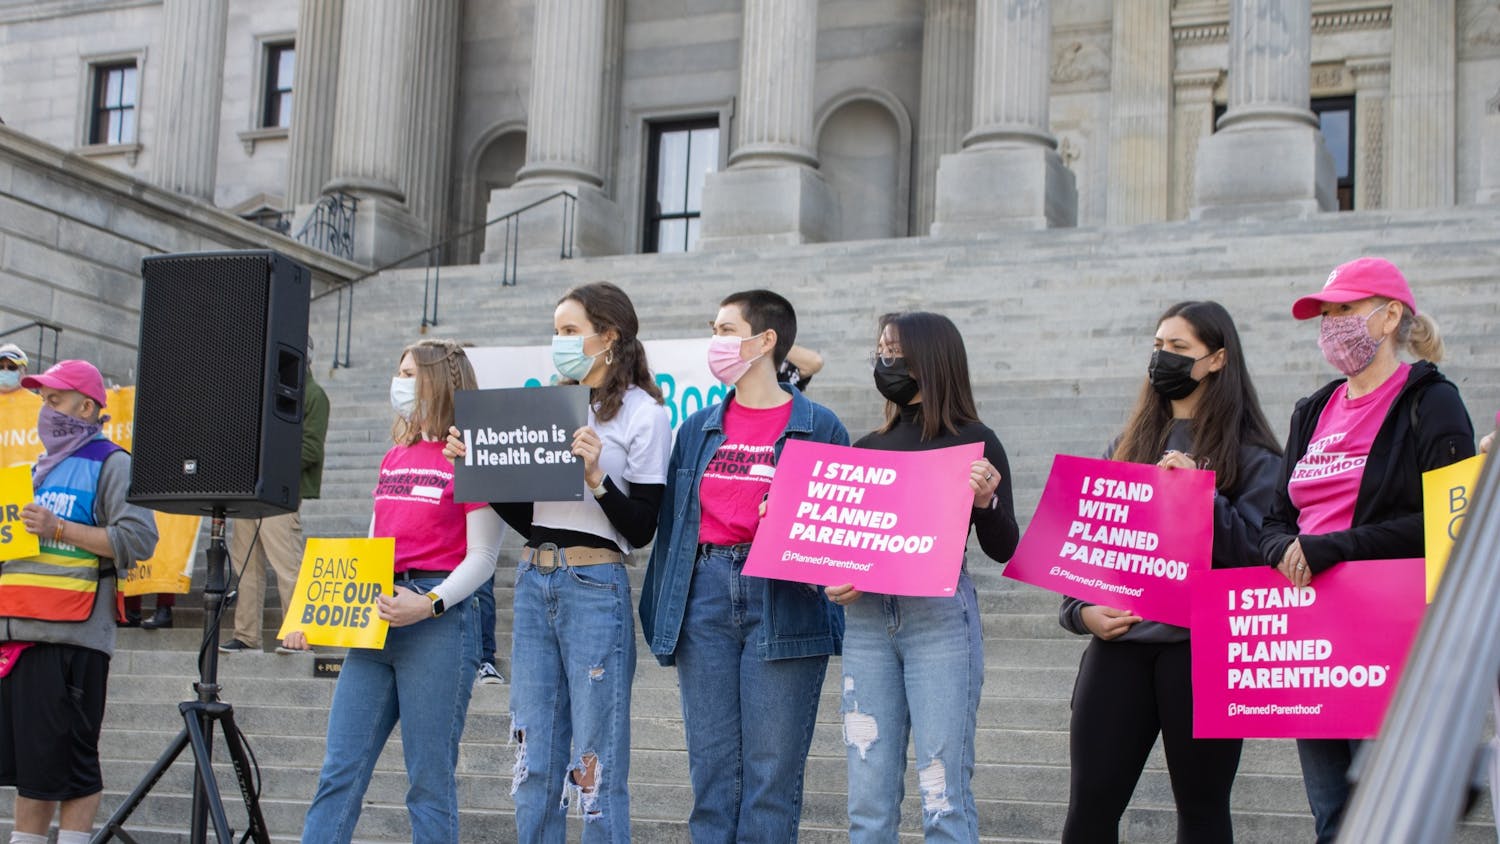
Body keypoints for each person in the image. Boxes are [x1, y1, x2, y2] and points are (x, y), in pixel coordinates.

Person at [1259, 257, 1475, 843]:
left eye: (1345, 310)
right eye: (1325, 314)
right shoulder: (1312, 410)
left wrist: (1336, 547)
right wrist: (1283, 548)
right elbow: (1276, 518)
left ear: (1389, 317)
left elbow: (1449, 520)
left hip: (1390, 635)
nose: (1331, 324)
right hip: (1312, 633)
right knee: (1331, 815)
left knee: (1389, 813)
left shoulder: (1430, 403)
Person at [446, 281, 671, 840]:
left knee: (596, 756)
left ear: (609, 336)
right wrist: (481, 470)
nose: (559, 341)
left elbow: (642, 527)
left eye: (570, 331)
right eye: (556, 331)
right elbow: (531, 518)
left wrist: (597, 480)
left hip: (595, 581)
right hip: (532, 575)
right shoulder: (547, 404)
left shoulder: (645, 414)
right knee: (534, 750)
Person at [1058, 301, 1282, 843]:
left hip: (1203, 652)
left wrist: (1201, 499)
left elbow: (1261, 558)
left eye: (1179, 349)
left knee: (1202, 814)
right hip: (1119, 648)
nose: (1163, 358)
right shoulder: (1126, 446)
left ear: (1217, 360)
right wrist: (1082, 613)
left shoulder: (1254, 458)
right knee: (1088, 812)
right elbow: (1083, 556)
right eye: (1158, 346)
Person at [639, 289, 849, 843]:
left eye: (726, 329)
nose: (716, 340)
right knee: (711, 775)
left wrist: (789, 517)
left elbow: (837, 534)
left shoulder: (820, 426)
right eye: (714, 328)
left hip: (783, 596)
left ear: (765, 341)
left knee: (770, 778)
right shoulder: (697, 428)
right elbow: (670, 530)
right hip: (704, 591)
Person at [283, 339, 500, 844]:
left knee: (428, 784)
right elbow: (371, 545)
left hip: (438, 623)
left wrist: (428, 604)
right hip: (377, 617)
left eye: (410, 373)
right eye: (398, 371)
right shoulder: (394, 455)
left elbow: (484, 558)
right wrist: (314, 618)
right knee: (339, 773)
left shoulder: (469, 455)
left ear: (439, 381)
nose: (399, 383)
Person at [822, 311, 1017, 841]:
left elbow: (1004, 547)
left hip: (939, 620)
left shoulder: (976, 440)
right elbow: (844, 544)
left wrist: (986, 501)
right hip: (866, 622)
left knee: (944, 793)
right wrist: (834, 576)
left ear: (931, 360)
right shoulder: (865, 448)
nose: (885, 362)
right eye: (880, 351)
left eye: (896, 352)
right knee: (868, 799)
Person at [0, 359, 158, 844]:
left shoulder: (114, 463)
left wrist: (60, 528)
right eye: (42, 401)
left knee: (72, 770)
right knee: (33, 773)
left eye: (54, 400)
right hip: (19, 638)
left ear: (86, 406)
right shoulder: (30, 471)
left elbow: (139, 539)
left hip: (73, 640)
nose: (44, 411)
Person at [222, 343, 330, 653]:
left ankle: (297, 633)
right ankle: (246, 635)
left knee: (288, 567)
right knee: (245, 566)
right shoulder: (269, 392)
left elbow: (311, 449)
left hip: (280, 493)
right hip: (252, 490)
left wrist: (266, 460)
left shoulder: (314, 395)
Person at [0, 344, 42, 470]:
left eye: (12, 367)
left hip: (22, 481)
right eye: (0, 367)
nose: (5, 371)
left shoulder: (39, 405)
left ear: (24, 371)